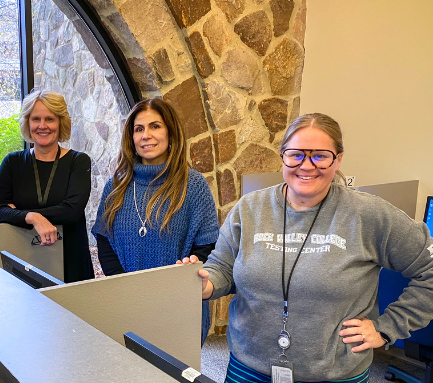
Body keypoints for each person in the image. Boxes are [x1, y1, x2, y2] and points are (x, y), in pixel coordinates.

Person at [181, 113, 433, 381]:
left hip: (333, 373)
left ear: (338, 160)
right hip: (248, 366)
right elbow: (223, 266)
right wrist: (205, 284)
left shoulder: (368, 214)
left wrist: (387, 328)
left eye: (320, 156)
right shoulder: (250, 208)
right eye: (296, 154)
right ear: (283, 157)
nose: (307, 165)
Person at [91, 98, 219, 344]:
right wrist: (127, 289)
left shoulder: (193, 186)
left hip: (178, 306)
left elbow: (207, 247)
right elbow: (105, 241)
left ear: (170, 133)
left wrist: (173, 285)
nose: (146, 135)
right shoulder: (115, 186)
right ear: (131, 138)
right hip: (125, 304)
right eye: (138, 129)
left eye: (155, 126)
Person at [0, 89, 94, 283]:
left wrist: (17, 213)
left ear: (61, 122)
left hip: (72, 262)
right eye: (36, 119)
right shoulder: (12, 163)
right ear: (27, 123)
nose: (42, 126)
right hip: (25, 259)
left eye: (50, 119)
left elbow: (71, 211)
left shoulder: (78, 161)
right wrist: (32, 217)